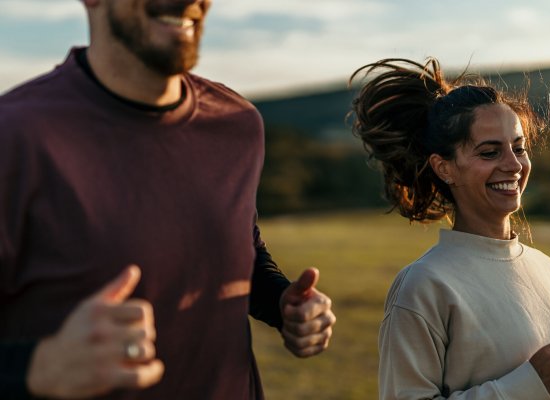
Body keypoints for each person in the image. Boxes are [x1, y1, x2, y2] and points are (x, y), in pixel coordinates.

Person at [0, 0, 336, 398]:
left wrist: (281, 303)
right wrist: (37, 367)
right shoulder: (16, 136)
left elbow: (240, 250)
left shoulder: (238, 124)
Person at [349, 57, 550, 400]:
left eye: (519, 148)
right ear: (444, 167)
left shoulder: (546, 269)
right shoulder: (424, 286)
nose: (513, 165)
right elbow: (537, 385)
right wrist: (528, 385)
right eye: (489, 152)